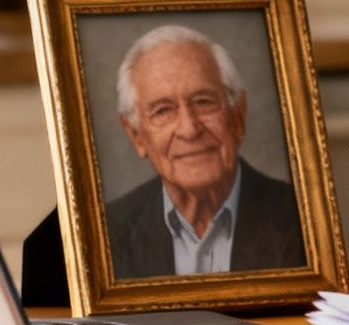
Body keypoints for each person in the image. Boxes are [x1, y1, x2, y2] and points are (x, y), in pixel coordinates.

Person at [103, 25, 306, 278]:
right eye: (163, 110)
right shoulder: (107, 233)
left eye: (203, 102)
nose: (189, 129)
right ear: (136, 135)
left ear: (238, 115)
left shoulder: (302, 219)